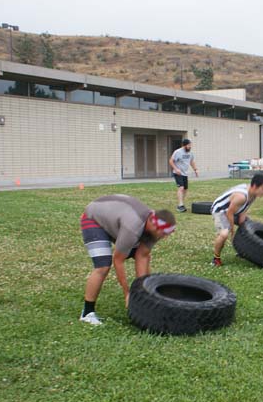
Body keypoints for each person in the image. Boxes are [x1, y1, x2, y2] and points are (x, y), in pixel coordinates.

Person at [79, 195, 176, 325]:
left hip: (115, 221)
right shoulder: (133, 227)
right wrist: (127, 293)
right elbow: (118, 260)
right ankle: (87, 313)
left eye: (166, 234)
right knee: (103, 266)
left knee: (142, 255)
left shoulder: (156, 228)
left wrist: (142, 294)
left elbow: (142, 256)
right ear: (153, 224)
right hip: (93, 219)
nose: (163, 237)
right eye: (163, 234)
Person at [210, 174, 263, 267]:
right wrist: (232, 229)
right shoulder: (241, 196)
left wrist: (244, 226)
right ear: (254, 186)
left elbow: (243, 211)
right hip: (221, 211)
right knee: (224, 234)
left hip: (234, 211)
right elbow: (229, 213)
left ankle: (242, 251)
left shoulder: (253, 195)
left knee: (248, 229)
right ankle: (216, 259)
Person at [169, 138, 199, 212]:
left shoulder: (190, 153)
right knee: (181, 188)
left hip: (185, 173)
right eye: (189, 145)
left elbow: (191, 161)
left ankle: (181, 203)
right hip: (178, 173)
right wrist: (176, 169)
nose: (190, 146)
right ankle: (180, 205)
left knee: (185, 189)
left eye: (190, 145)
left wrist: (195, 169)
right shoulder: (178, 152)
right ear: (184, 145)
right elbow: (171, 161)